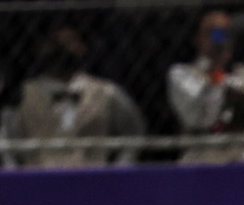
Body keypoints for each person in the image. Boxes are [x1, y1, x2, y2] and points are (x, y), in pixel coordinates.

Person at [1, 24, 145, 167]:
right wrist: (15, 176)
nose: (63, 48)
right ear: (40, 49)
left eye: (70, 41)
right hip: (38, 181)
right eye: (54, 43)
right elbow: (7, 140)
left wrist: (121, 168)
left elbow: (135, 131)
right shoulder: (21, 94)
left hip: (95, 180)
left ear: (83, 48)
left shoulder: (107, 92)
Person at [167, 7, 244, 163]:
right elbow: (204, 119)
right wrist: (216, 67)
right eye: (211, 33)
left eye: (224, 34)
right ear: (197, 39)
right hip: (205, 159)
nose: (218, 40)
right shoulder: (182, 74)